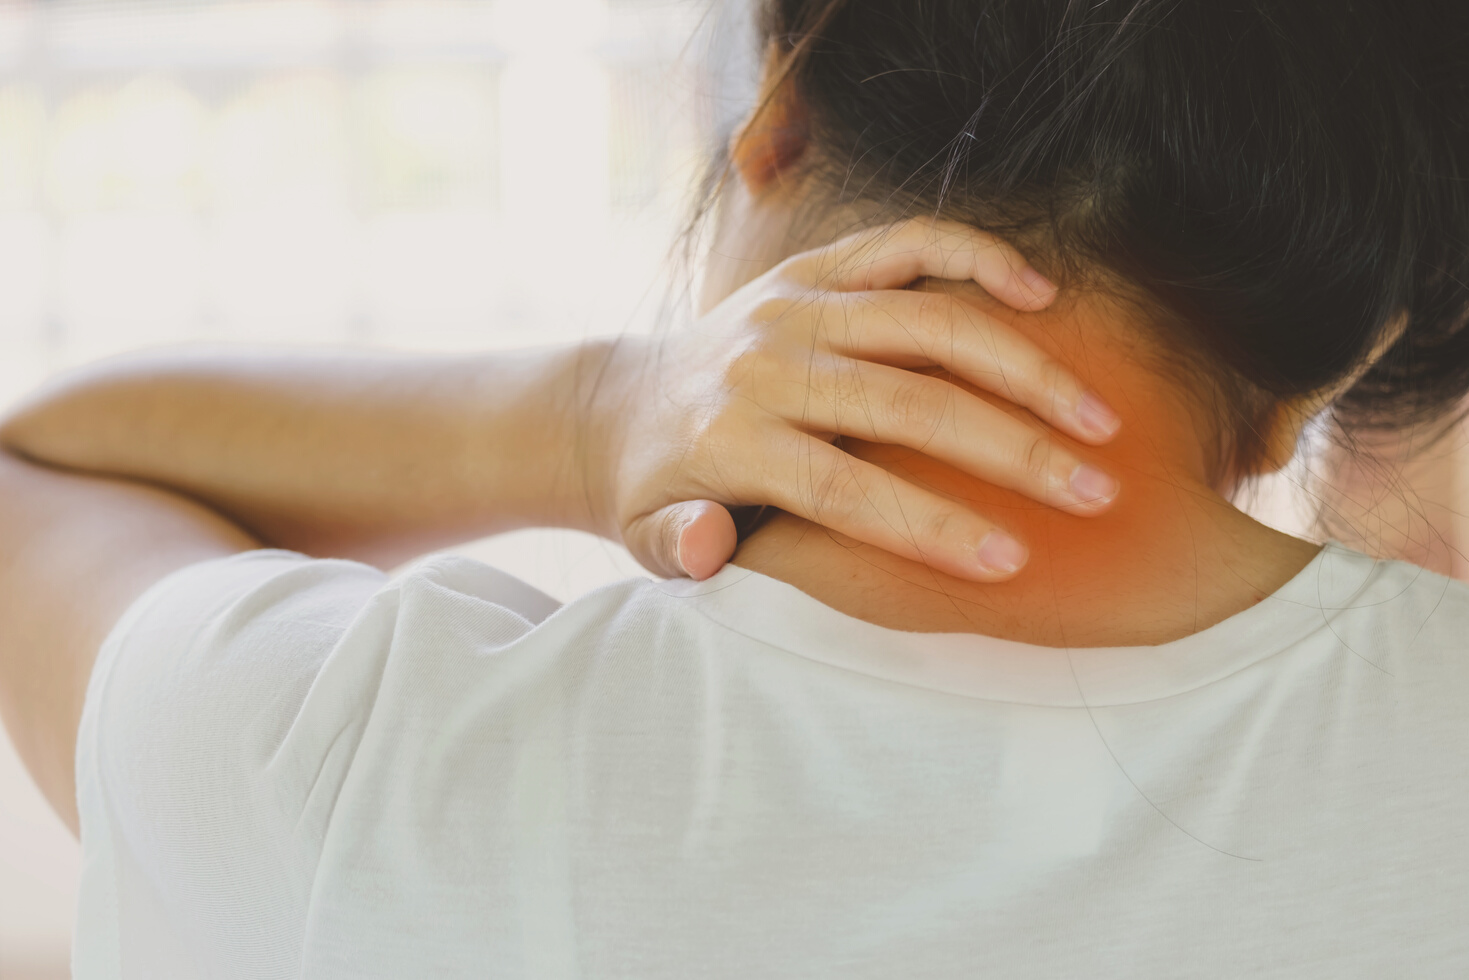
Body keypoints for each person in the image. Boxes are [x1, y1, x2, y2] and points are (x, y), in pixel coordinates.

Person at [2, 0, 1468, 975]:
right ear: (1334, 361)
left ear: (779, 111)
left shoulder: (353, 763)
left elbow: (34, 465)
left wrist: (592, 416)